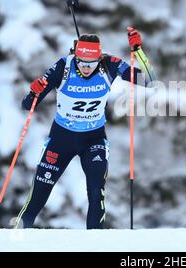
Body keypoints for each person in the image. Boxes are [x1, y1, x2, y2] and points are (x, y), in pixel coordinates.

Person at [15, 27, 156, 229]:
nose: (87, 67)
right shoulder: (63, 66)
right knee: (39, 192)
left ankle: (94, 244)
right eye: (82, 62)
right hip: (61, 139)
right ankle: (16, 236)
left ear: (99, 58)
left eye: (91, 63)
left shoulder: (110, 65)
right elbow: (28, 106)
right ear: (75, 56)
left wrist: (138, 51)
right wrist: (33, 92)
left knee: (96, 190)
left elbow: (150, 80)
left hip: (93, 139)